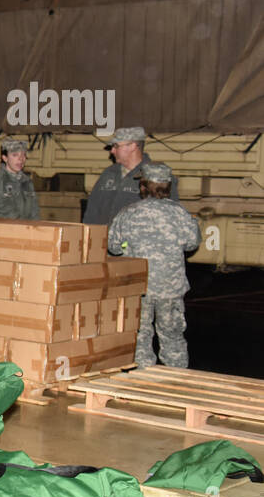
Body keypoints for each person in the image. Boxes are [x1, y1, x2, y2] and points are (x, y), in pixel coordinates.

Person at [108, 163, 201, 368]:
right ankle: (176, 381)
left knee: (140, 334)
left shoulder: (128, 213)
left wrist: (129, 245)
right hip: (171, 286)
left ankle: (143, 378)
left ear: (143, 186)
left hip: (139, 287)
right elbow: (192, 243)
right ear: (167, 186)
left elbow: (113, 247)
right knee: (173, 335)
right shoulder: (180, 213)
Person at [83, 126, 179, 225]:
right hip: (104, 239)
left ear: (132, 146)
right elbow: (91, 212)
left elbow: (170, 216)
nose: (112, 151)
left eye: (116, 146)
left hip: (137, 239)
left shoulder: (157, 177)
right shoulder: (109, 174)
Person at [0, 138, 40, 219]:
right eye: (15, 155)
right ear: (5, 158)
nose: (21, 159)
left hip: (24, 231)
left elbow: (34, 213)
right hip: (0, 231)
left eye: (23, 155)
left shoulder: (27, 182)